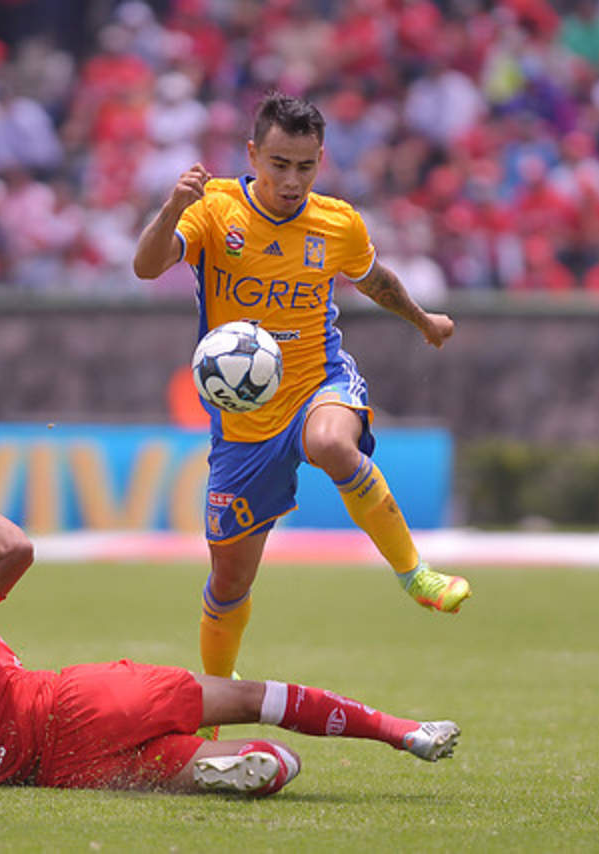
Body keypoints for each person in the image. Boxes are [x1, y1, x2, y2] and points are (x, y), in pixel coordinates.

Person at [131, 92, 471, 688]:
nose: (292, 181)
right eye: (280, 164)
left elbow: (376, 280)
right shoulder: (213, 209)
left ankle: (414, 574)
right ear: (252, 155)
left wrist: (423, 321)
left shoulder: (337, 222)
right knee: (229, 583)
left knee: (332, 444)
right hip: (245, 421)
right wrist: (171, 209)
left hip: (320, 380)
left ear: (321, 161)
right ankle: (216, 702)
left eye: (306, 167)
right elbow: (146, 266)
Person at [0, 499, 460, 795]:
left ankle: (241, 765)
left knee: (274, 763)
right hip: (79, 702)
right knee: (252, 697)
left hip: (59, 772)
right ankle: (402, 732)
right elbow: (17, 550)